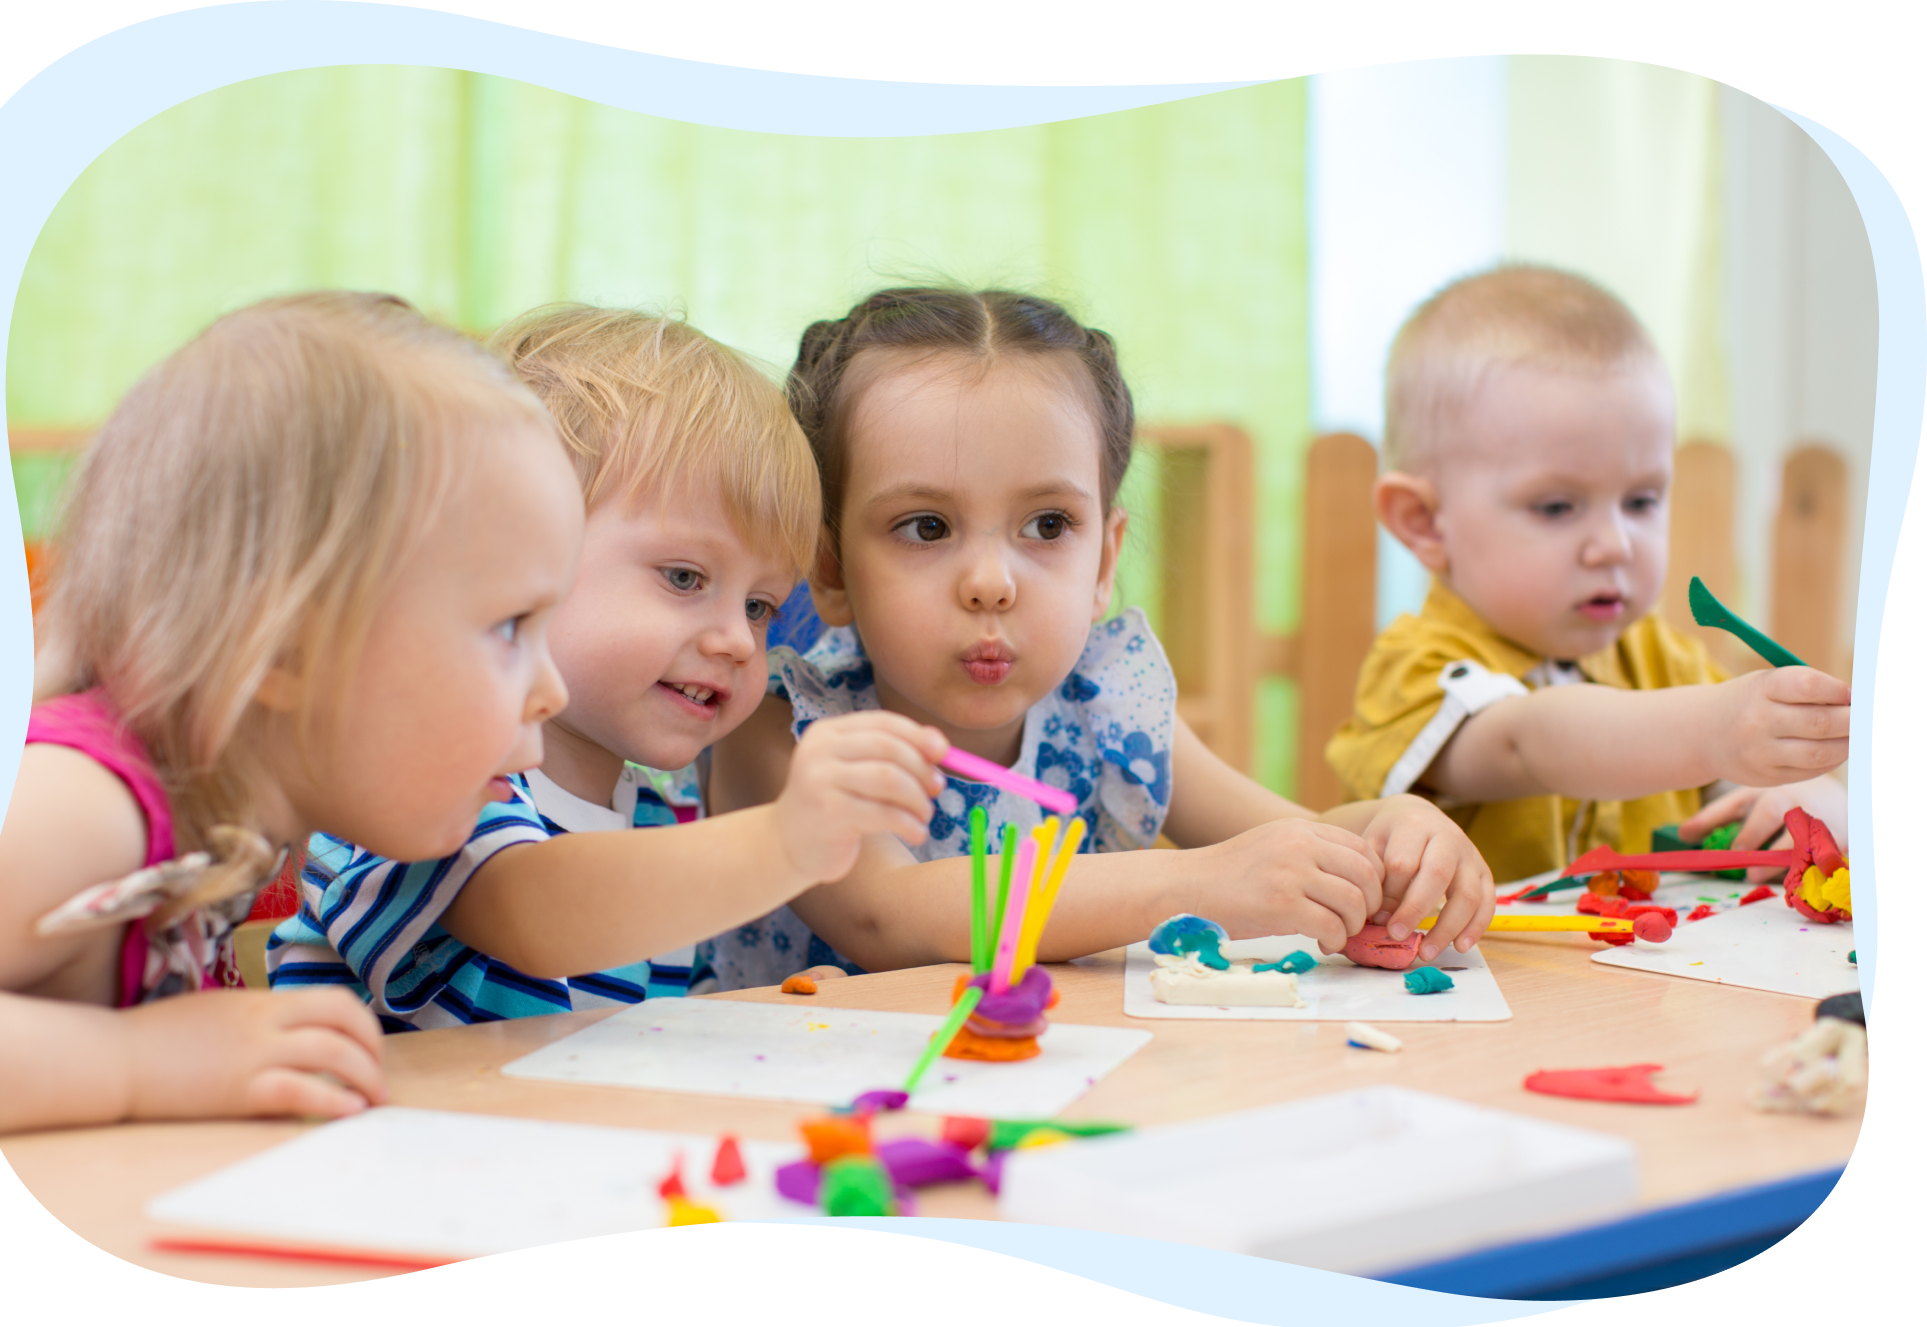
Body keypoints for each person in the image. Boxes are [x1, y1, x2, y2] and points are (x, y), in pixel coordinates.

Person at [708, 286, 1494, 986]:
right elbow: (890, 916)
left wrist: (1396, 838)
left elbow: (1289, 839)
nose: (992, 582)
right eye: (927, 526)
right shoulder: (783, 731)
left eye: (1048, 525)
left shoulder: (1110, 705)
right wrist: (1192, 885)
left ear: (1103, 560)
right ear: (832, 565)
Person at [0, 292, 584, 1130]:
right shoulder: (79, 809)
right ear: (290, 648)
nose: (556, 690)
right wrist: (139, 1066)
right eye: (511, 625)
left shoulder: (234, 827)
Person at [268, 306, 949, 1024]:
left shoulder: (660, 814)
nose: (738, 642)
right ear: (513, 557)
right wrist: (783, 840)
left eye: (759, 606)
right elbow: (535, 916)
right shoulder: (430, 780)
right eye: (684, 578)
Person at [1328, 265, 1850, 883]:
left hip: (1648, 975)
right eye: (1556, 507)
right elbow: (1523, 744)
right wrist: (1712, 728)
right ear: (1425, 522)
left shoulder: (1667, 663)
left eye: (1642, 501)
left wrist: (1810, 797)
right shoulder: (1416, 667)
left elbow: (1747, 774)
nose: (1615, 544)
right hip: (1472, 976)